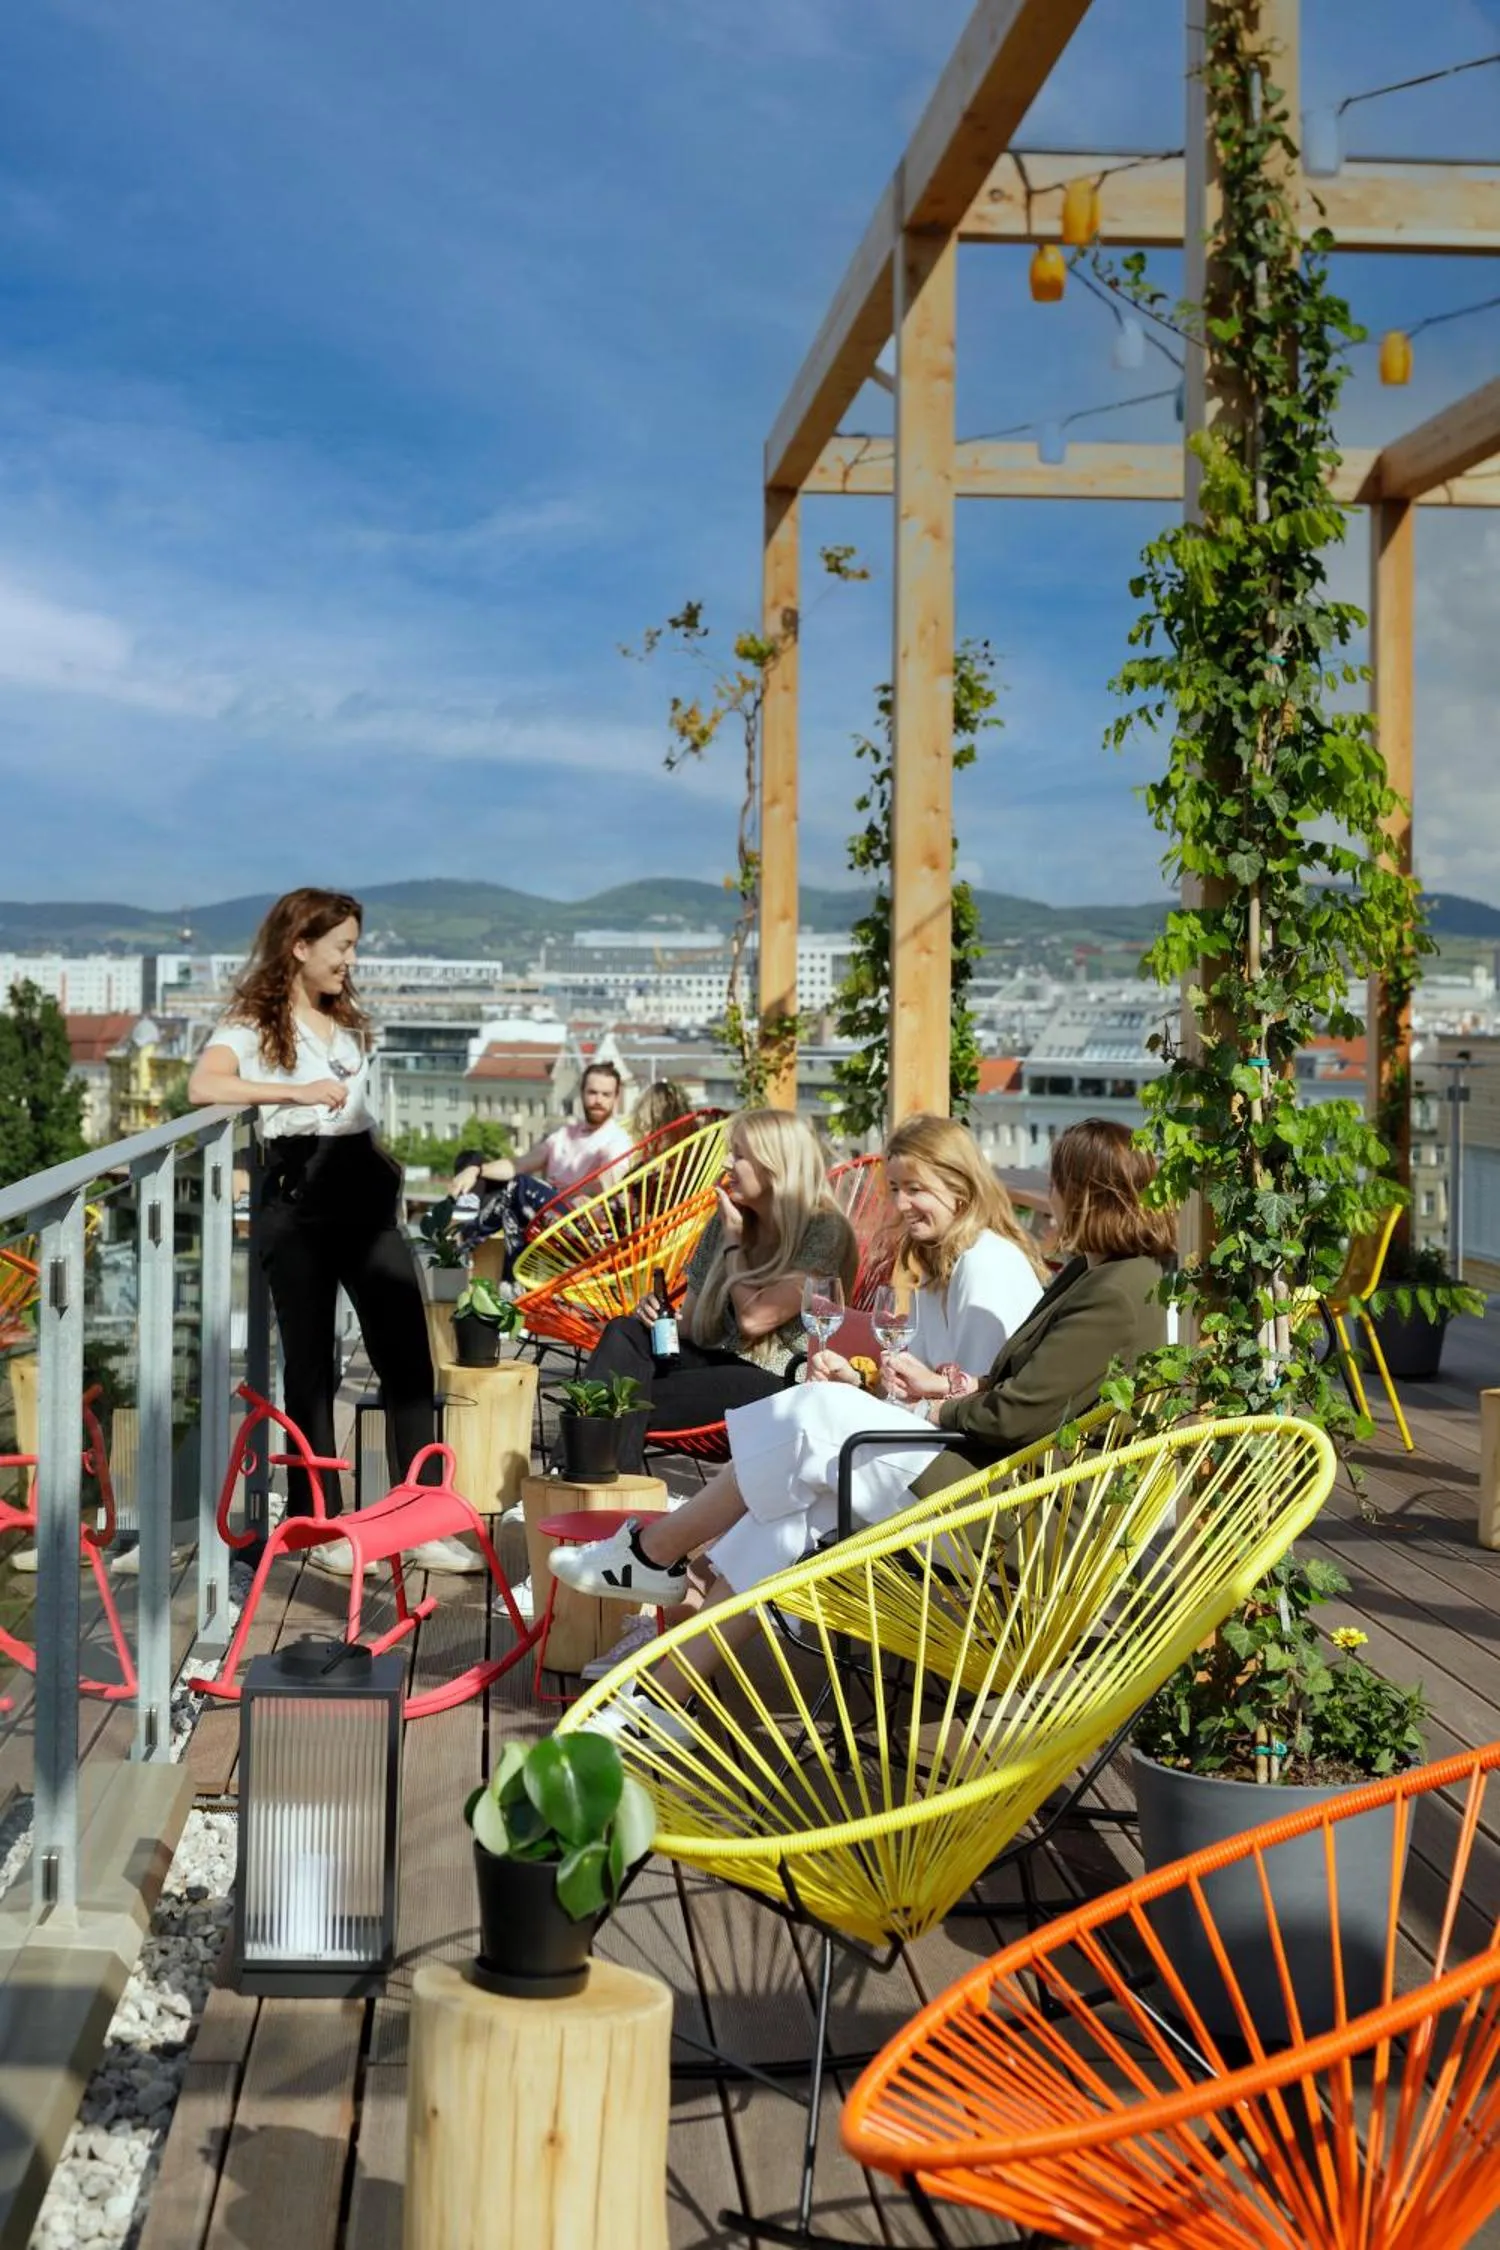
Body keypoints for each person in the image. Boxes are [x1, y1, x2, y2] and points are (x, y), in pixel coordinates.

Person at [553, 1117, 1173, 1724]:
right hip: (988, 1483)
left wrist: (931, 1400)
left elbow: (1013, 1416)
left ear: (1086, 1193)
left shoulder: (1113, 1292)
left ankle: (654, 1553)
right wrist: (915, 1389)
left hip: (1016, 1519)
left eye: (1057, 1183)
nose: (1050, 1197)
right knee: (788, 1518)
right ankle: (661, 1699)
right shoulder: (1096, 1277)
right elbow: (1012, 1390)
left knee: (815, 1413)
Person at [187, 890, 476, 1576]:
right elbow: (205, 1085)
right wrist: (292, 1093)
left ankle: (420, 1517)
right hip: (298, 1195)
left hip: (363, 1190)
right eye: (342, 946)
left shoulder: (342, 1019)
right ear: (300, 946)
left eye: (353, 946)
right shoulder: (252, 1023)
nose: (350, 960)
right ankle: (321, 1526)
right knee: (310, 1366)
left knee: (407, 1355)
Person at [580, 1107, 859, 1474]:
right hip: (715, 1359)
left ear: (774, 1165)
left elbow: (754, 1320)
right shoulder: (727, 1219)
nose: (727, 1163)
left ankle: (590, 1482)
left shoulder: (824, 1230)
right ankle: (592, 1481)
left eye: (739, 1155)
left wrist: (734, 1243)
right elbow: (695, 1325)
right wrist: (659, 1319)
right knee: (624, 1331)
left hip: (777, 1383)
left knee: (624, 1398)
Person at [451, 1062, 634, 1269]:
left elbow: (616, 1192)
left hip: (576, 1223)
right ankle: (465, 1225)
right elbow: (520, 1163)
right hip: (544, 1208)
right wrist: (476, 1170)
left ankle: (464, 1239)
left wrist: (581, 1194)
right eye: (592, 1092)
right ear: (582, 1093)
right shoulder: (565, 1134)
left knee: (522, 1186)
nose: (598, 1100)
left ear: (616, 1098)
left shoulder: (616, 1141)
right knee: (470, 1159)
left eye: (606, 1094)